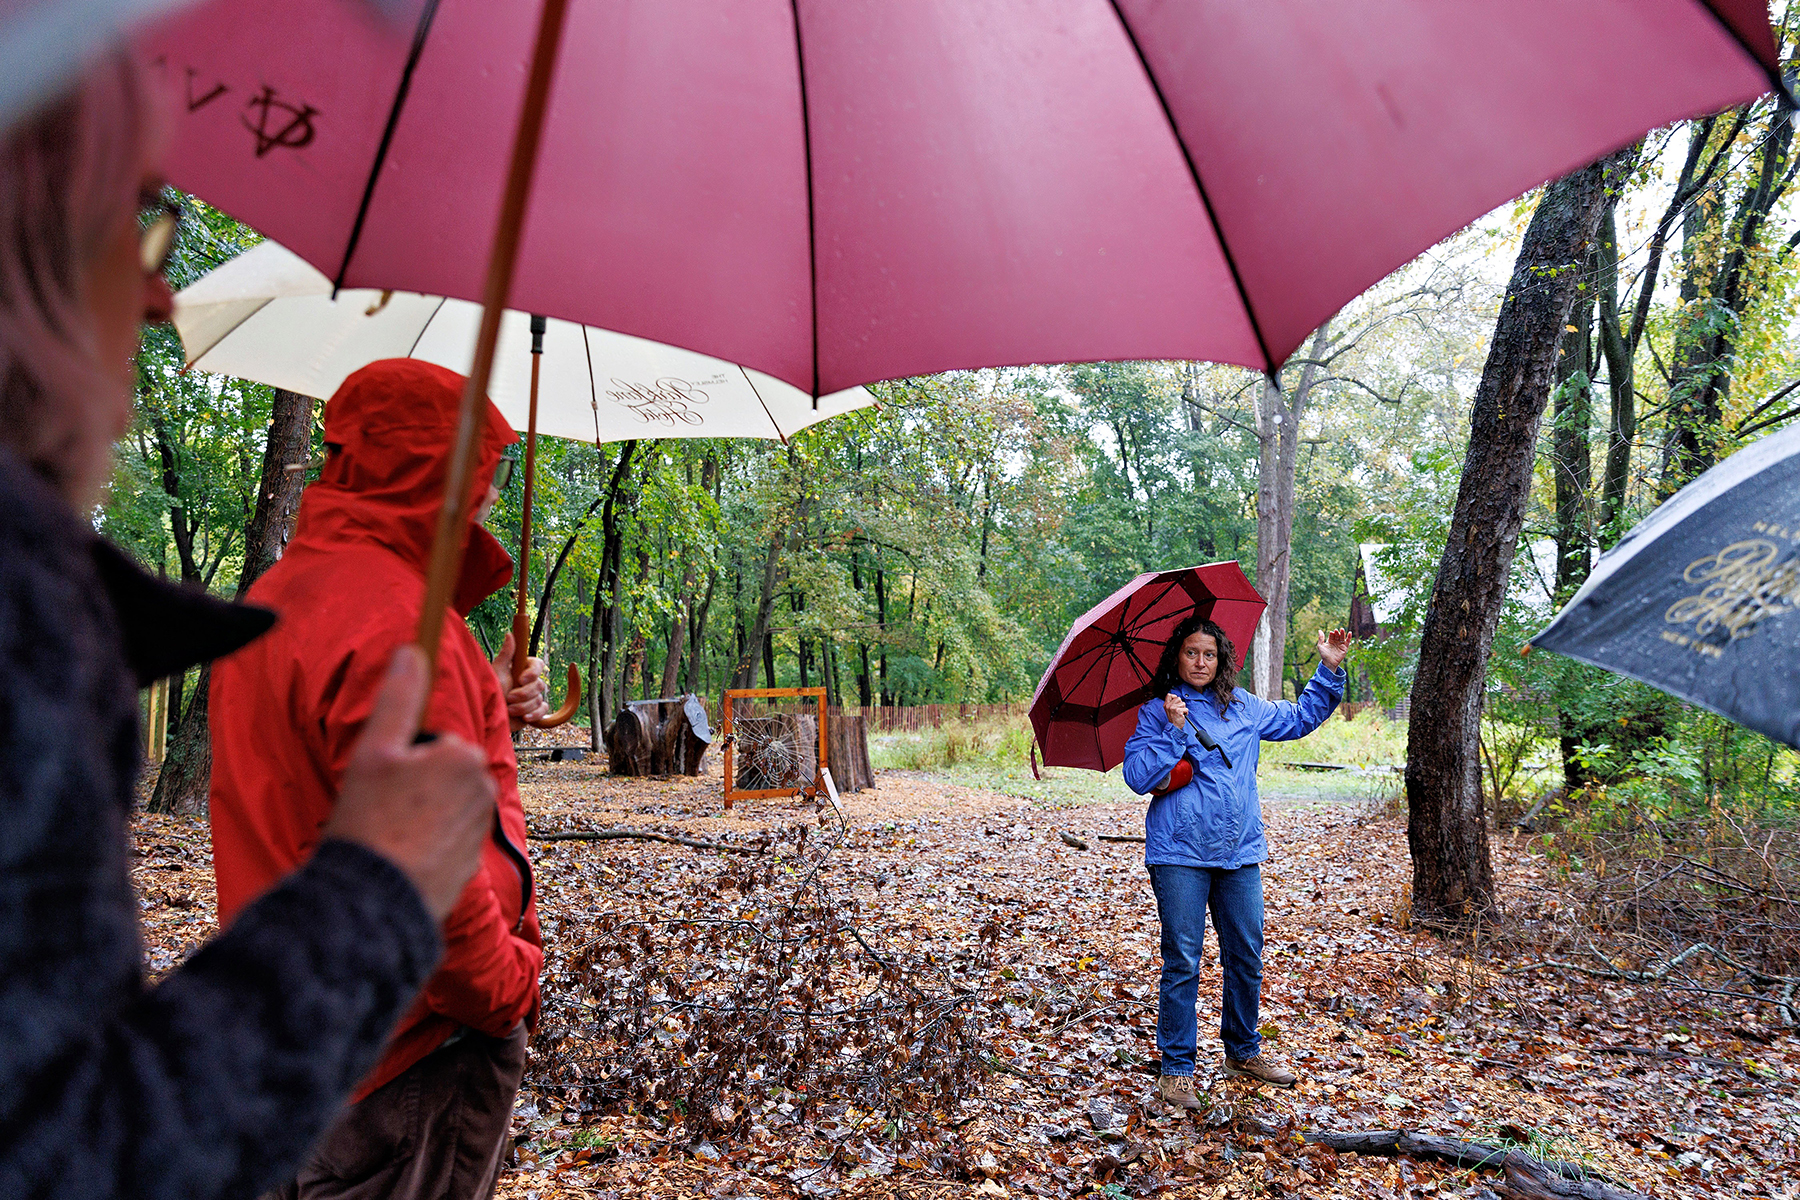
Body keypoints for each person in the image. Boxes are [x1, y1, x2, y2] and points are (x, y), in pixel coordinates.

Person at [0, 54, 501, 1200]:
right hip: (404, 1056)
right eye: (128, 224)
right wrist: (398, 905)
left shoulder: (299, 592)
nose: (161, 292)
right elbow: (71, 1156)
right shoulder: (19, 613)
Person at [209, 357, 549, 1200]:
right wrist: (504, 992)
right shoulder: (403, 628)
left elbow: (322, 784)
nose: (495, 499)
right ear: (437, 468)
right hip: (400, 1059)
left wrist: (486, 702)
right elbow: (426, 875)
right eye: (488, 473)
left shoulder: (285, 595)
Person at [1122, 616, 1351, 1109]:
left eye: (1209, 654)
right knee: (1183, 960)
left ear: (1222, 659)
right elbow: (1139, 777)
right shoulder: (1157, 712)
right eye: (1190, 653)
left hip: (1240, 853)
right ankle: (1177, 1068)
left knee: (1246, 954)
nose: (1200, 662)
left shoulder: (1245, 707)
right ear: (1175, 658)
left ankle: (1243, 1052)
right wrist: (1173, 731)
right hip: (1179, 854)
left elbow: (1300, 717)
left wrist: (1328, 668)